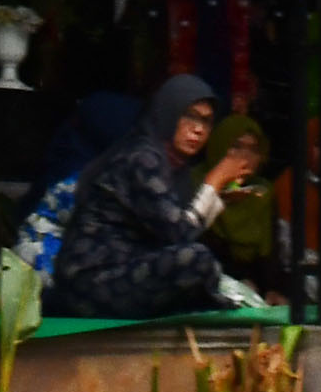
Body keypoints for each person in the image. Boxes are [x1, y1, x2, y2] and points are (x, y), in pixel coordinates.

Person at [45, 73, 257, 320]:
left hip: (125, 274)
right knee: (197, 259)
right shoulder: (143, 157)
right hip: (90, 284)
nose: (198, 129)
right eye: (190, 116)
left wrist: (216, 197)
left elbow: (178, 233)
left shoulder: (176, 170)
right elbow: (179, 236)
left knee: (206, 267)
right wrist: (213, 182)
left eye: (206, 121)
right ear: (169, 112)